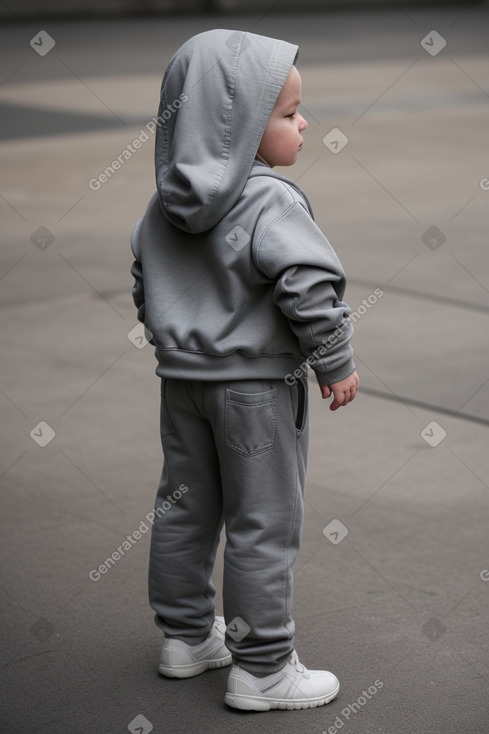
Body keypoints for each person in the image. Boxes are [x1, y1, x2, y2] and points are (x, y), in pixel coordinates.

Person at [130, 28, 359, 712]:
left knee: (184, 508)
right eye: (289, 114)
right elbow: (306, 287)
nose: (304, 123)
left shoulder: (164, 203)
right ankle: (262, 669)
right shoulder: (270, 201)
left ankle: (187, 638)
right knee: (263, 520)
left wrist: (179, 337)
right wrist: (334, 360)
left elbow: (146, 282)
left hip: (183, 386)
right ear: (237, 129)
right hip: (255, 392)